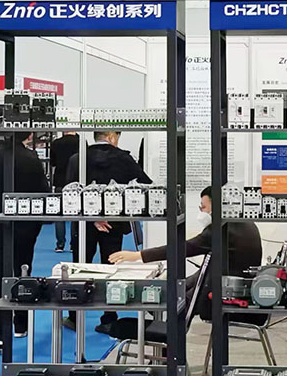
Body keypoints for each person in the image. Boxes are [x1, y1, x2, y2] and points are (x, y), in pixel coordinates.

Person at [109, 186, 262, 320]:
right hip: (229, 284)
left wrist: (138, 255)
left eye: (203, 207)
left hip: (226, 293)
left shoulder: (222, 230)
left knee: (171, 300)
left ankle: (166, 337)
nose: (201, 211)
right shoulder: (240, 223)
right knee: (173, 290)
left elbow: (185, 249)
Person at [64, 130, 151, 333]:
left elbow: (68, 192)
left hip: (84, 222)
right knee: (112, 268)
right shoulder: (124, 159)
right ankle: (109, 317)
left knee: (79, 267)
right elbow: (145, 184)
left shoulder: (77, 159)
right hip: (114, 223)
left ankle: (74, 316)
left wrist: (93, 215)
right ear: (112, 137)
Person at [0, 131, 50, 350]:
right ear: (28, 135)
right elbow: (43, 191)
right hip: (26, 223)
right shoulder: (31, 158)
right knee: (23, 269)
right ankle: (21, 322)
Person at [50, 131, 80, 252]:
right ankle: (74, 243)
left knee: (59, 214)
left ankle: (60, 244)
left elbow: (53, 162)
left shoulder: (56, 143)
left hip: (60, 181)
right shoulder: (81, 142)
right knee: (76, 214)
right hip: (76, 181)